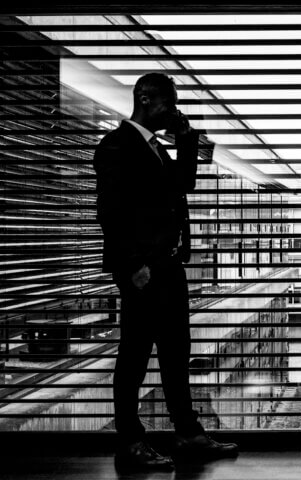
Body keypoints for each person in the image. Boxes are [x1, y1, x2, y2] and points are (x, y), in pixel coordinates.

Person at [94, 73, 237, 470]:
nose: (173, 111)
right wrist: (132, 266)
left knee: (177, 353)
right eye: (169, 104)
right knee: (135, 357)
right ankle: (130, 442)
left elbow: (184, 183)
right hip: (143, 271)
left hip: (168, 266)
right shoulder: (116, 145)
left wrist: (186, 134)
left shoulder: (156, 148)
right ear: (145, 98)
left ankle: (187, 433)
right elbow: (110, 212)